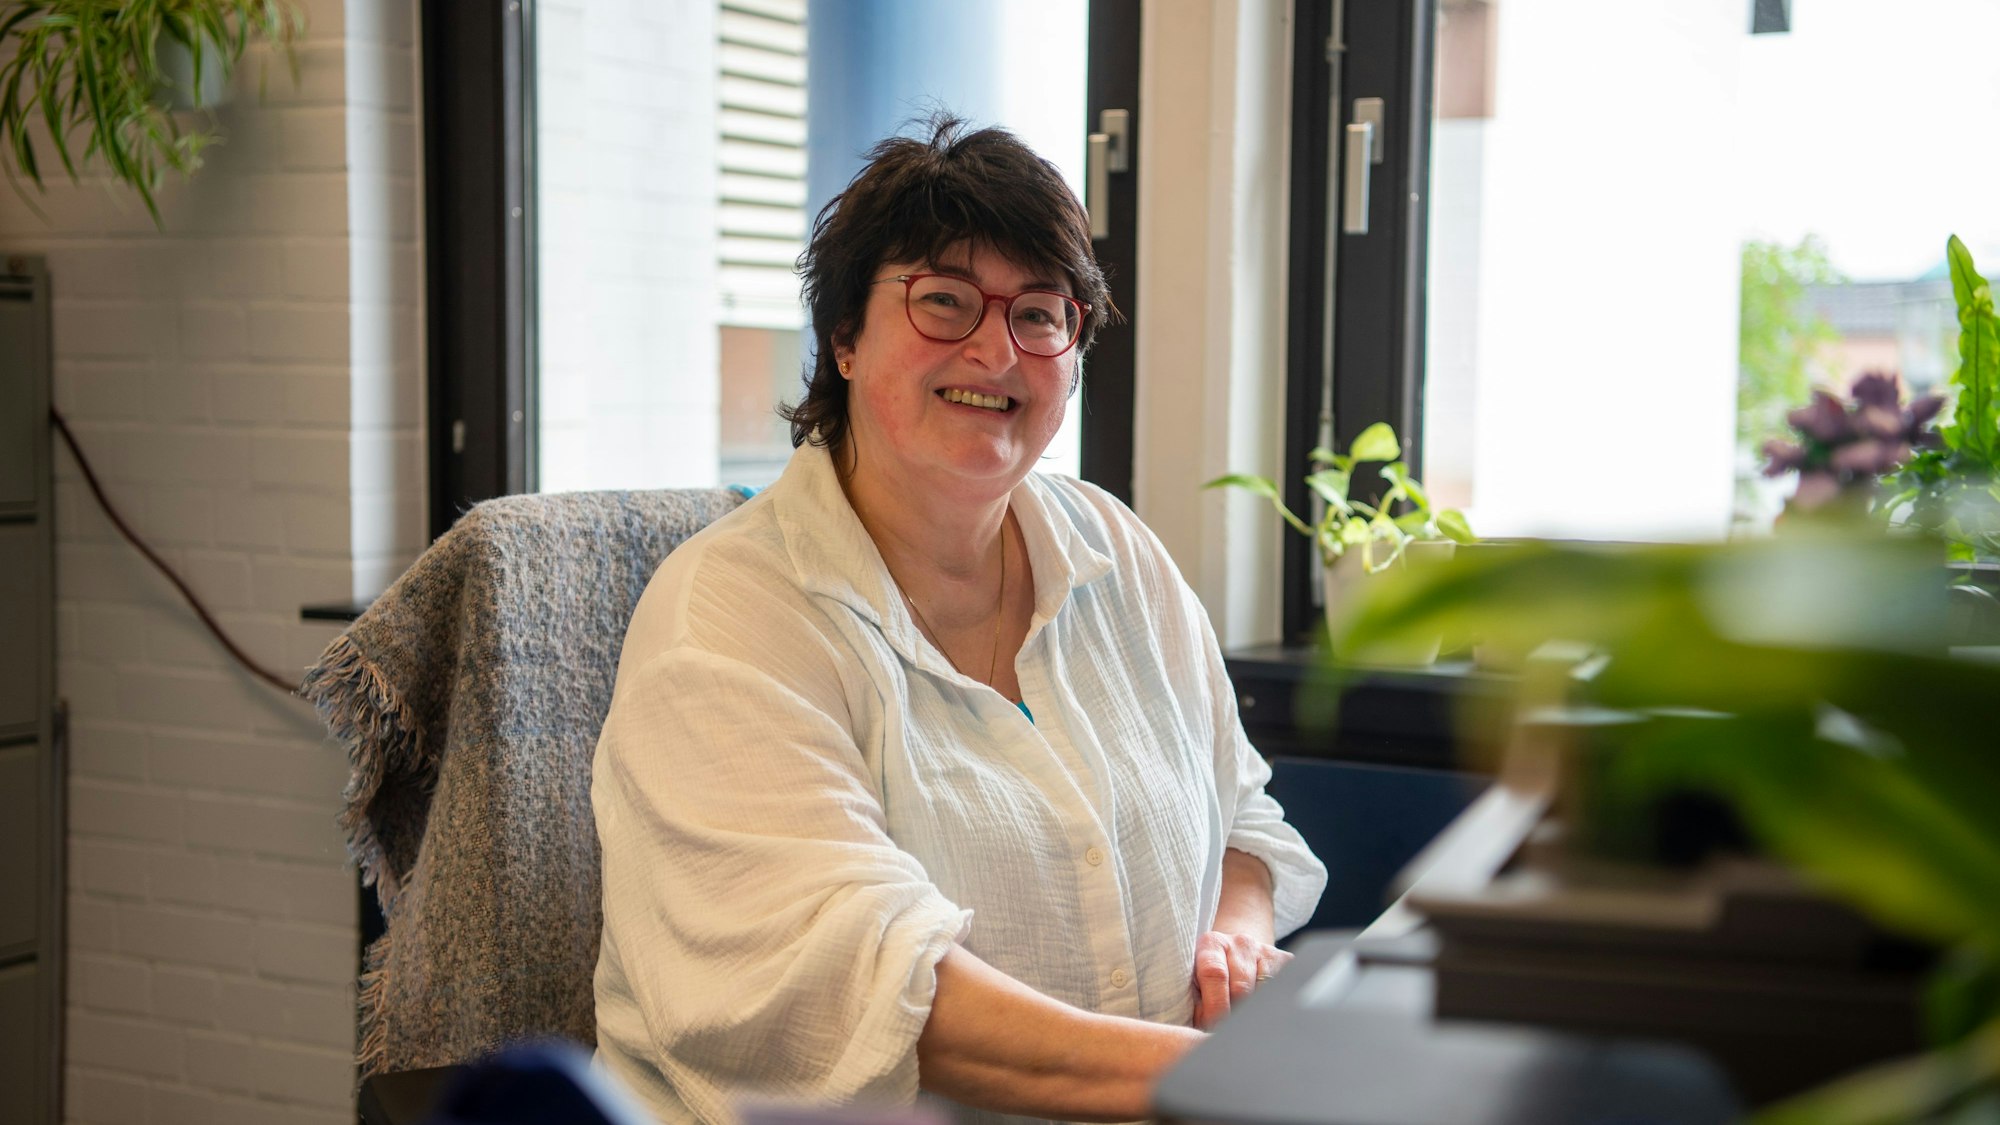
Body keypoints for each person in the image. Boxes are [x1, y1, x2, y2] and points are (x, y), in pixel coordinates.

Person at [591, 115, 1327, 1125]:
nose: (996, 348)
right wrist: (1222, 1081)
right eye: (942, 301)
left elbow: (1239, 817)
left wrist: (1233, 945)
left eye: (1039, 314)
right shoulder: (726, 619)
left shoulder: (1117, 554)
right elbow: (862, 991)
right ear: (844, 338)